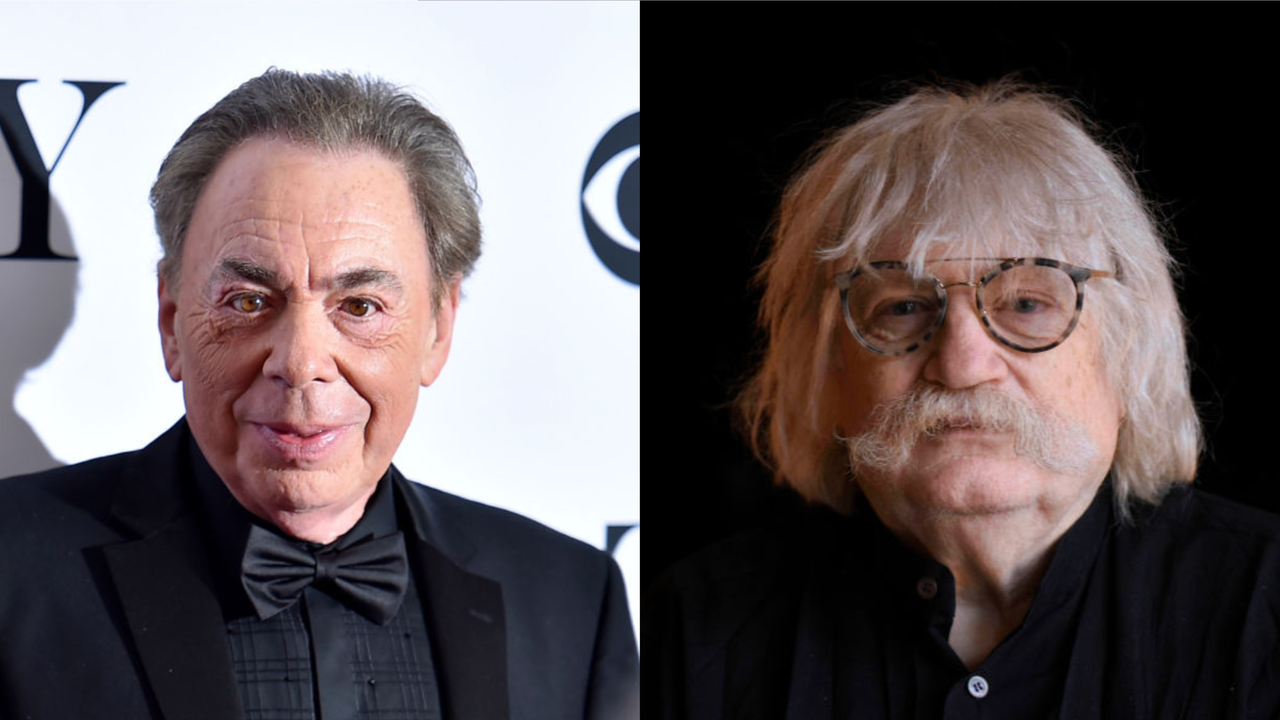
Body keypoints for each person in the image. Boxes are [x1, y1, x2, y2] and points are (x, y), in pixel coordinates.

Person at [0, 69, 638, 720]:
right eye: (248, 301)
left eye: (359, 306)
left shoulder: (573, 603)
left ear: (438, 328)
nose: (302, 363)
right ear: (171, 322)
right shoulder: (12, 571)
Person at [645, 79, 1280, 719]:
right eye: (903, 307)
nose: (961, 364)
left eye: (1028, 302)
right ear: (827, 367)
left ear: (1127, 351)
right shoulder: (692, 633)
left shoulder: (1264, 608)